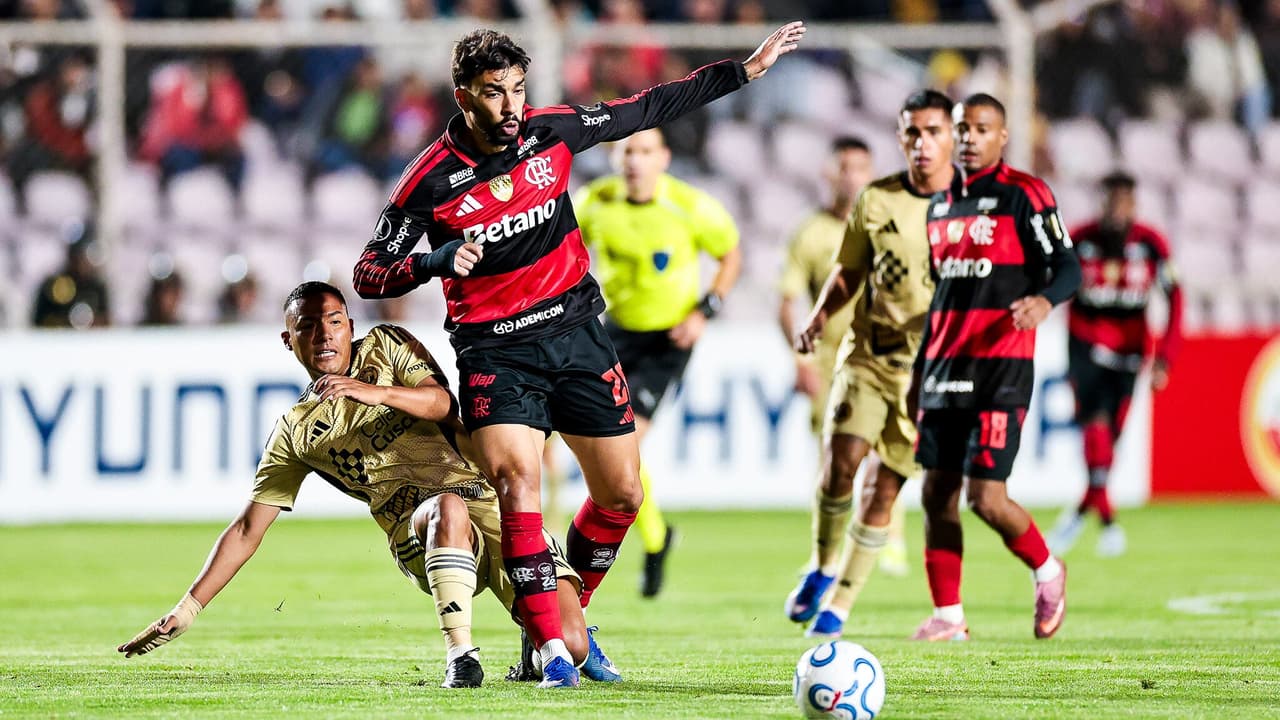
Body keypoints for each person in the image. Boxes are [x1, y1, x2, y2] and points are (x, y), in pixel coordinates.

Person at [350, 24, 806, 687]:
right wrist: (433, 260)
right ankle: (555, 654)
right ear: (462, 97)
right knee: (519, 489)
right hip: (495, 351)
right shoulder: (429, 179)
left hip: (578, 333)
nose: (510, 106)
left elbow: (646, 107)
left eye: (517, 90)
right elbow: (369, 274)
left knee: (622, 494)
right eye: (492, 93)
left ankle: (561, 624)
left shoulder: (551, 131)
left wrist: (743, 71)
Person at [116, 282, 621, 689]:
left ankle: (537, 648)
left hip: (488, 497)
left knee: (572, 644)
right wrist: (187, 608)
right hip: (416, 524)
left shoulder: (387, 346)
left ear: (351, 326)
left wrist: (372, 391)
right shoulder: (296, 430)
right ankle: (461, 656)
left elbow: (443, 403)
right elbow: (249, 527)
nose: (324, 336)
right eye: (307, 327)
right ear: (288, 339)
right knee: (447, 508)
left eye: (334, 322)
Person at [784, 92, 956, 639]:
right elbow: (847, 272)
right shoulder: (878, 200)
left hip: (930, 377)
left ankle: (841, 603)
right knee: (842, 462)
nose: (922, 143)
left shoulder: (974, 209)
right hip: (869, 358)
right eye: (912, 133)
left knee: (885, 489)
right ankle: (821, 563)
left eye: (932, 131)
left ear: (951, 136)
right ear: (902, 138)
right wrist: (816, 318)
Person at [911, 94, 1081, 641]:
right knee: (936, 493)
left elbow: (1068, 265)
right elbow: (944, 296)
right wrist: (918, 372)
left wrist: (1045, 301)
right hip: (943, 364)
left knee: (986, 496)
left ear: (1002, 137)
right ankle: (949, 618)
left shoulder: (1024, 195)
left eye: (982, 129)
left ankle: (1049, 570)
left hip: (1000, 367)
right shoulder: (939, 205)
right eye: (962, 128)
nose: (969, 138)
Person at [574, 127, 741, 598]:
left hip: (669, 337)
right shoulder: (594, 202)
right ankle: (656, 536)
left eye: (645, 152)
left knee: (624, 442)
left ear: (663, 158)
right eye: (627, 151)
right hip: (615, 332)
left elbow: (730, 255)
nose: (635, 161)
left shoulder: (689, 206)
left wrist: (704, 311)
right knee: (611, 446)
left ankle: (650, 537)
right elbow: (563, 247)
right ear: (614, 157)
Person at [776, 137, 914, 590]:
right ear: (829, 173)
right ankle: (828, 556)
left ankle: (889, 538)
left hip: (880, 356)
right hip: (827, 361)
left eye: (861, 167)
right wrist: (800, 357)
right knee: (834, 459)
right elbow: (788, 301)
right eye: (844, 167)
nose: (852, 176)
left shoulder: (887, 223)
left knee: (884, 448)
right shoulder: (810, 232)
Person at [1048, 171, 1181, 557]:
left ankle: (1078, 514)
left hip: (1130, 355)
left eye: (1125, 202)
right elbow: (1055, 282)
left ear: (1134, 206)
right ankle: (1108, 523)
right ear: (1101, 202)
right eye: (1112, 201)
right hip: (1086, 348)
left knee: (1109, 448)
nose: (1118, 210)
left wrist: (1165, 358)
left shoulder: (1151, 244)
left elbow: (1176, 298)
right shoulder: (1080, 239)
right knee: (1097, 435)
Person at [30, 220, 110, 329]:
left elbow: (107, 325)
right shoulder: (51, 286)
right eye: (76, 256)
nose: (80, 261)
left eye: (82, 255)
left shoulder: (96, 287)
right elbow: (38, 325)